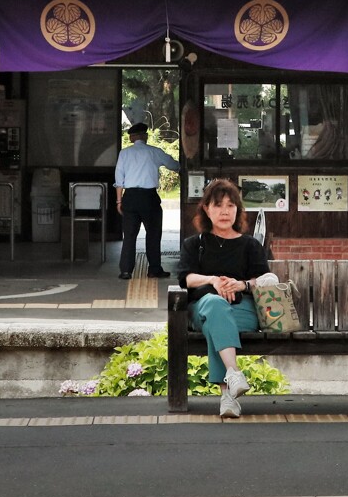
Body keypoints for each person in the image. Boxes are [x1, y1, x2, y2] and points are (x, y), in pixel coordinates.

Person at [176, 179, 270, 418]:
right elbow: (185, 278)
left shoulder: (250, 245)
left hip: (242, 311)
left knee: (216, 325)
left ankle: (228, 394)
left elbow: (267, 279)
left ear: (238, 210)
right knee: (215, 305)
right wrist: (214, 280)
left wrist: (242, 284)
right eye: (218, 205)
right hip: (203, 307)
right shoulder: (193, 244)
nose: (225, 211)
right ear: (206, 209)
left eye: (231, 205)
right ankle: (233, 374)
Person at [114, 122, 180, 280]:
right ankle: (154, 269)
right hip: (149, 197)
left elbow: (119, 179)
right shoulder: (154, 152)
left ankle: (126, 271)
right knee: (153, 234)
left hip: (129, 197)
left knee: (129, 235)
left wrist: (119, 201)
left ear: (131, 138)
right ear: (145, 136)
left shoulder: (124, 153)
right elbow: (174, 165)